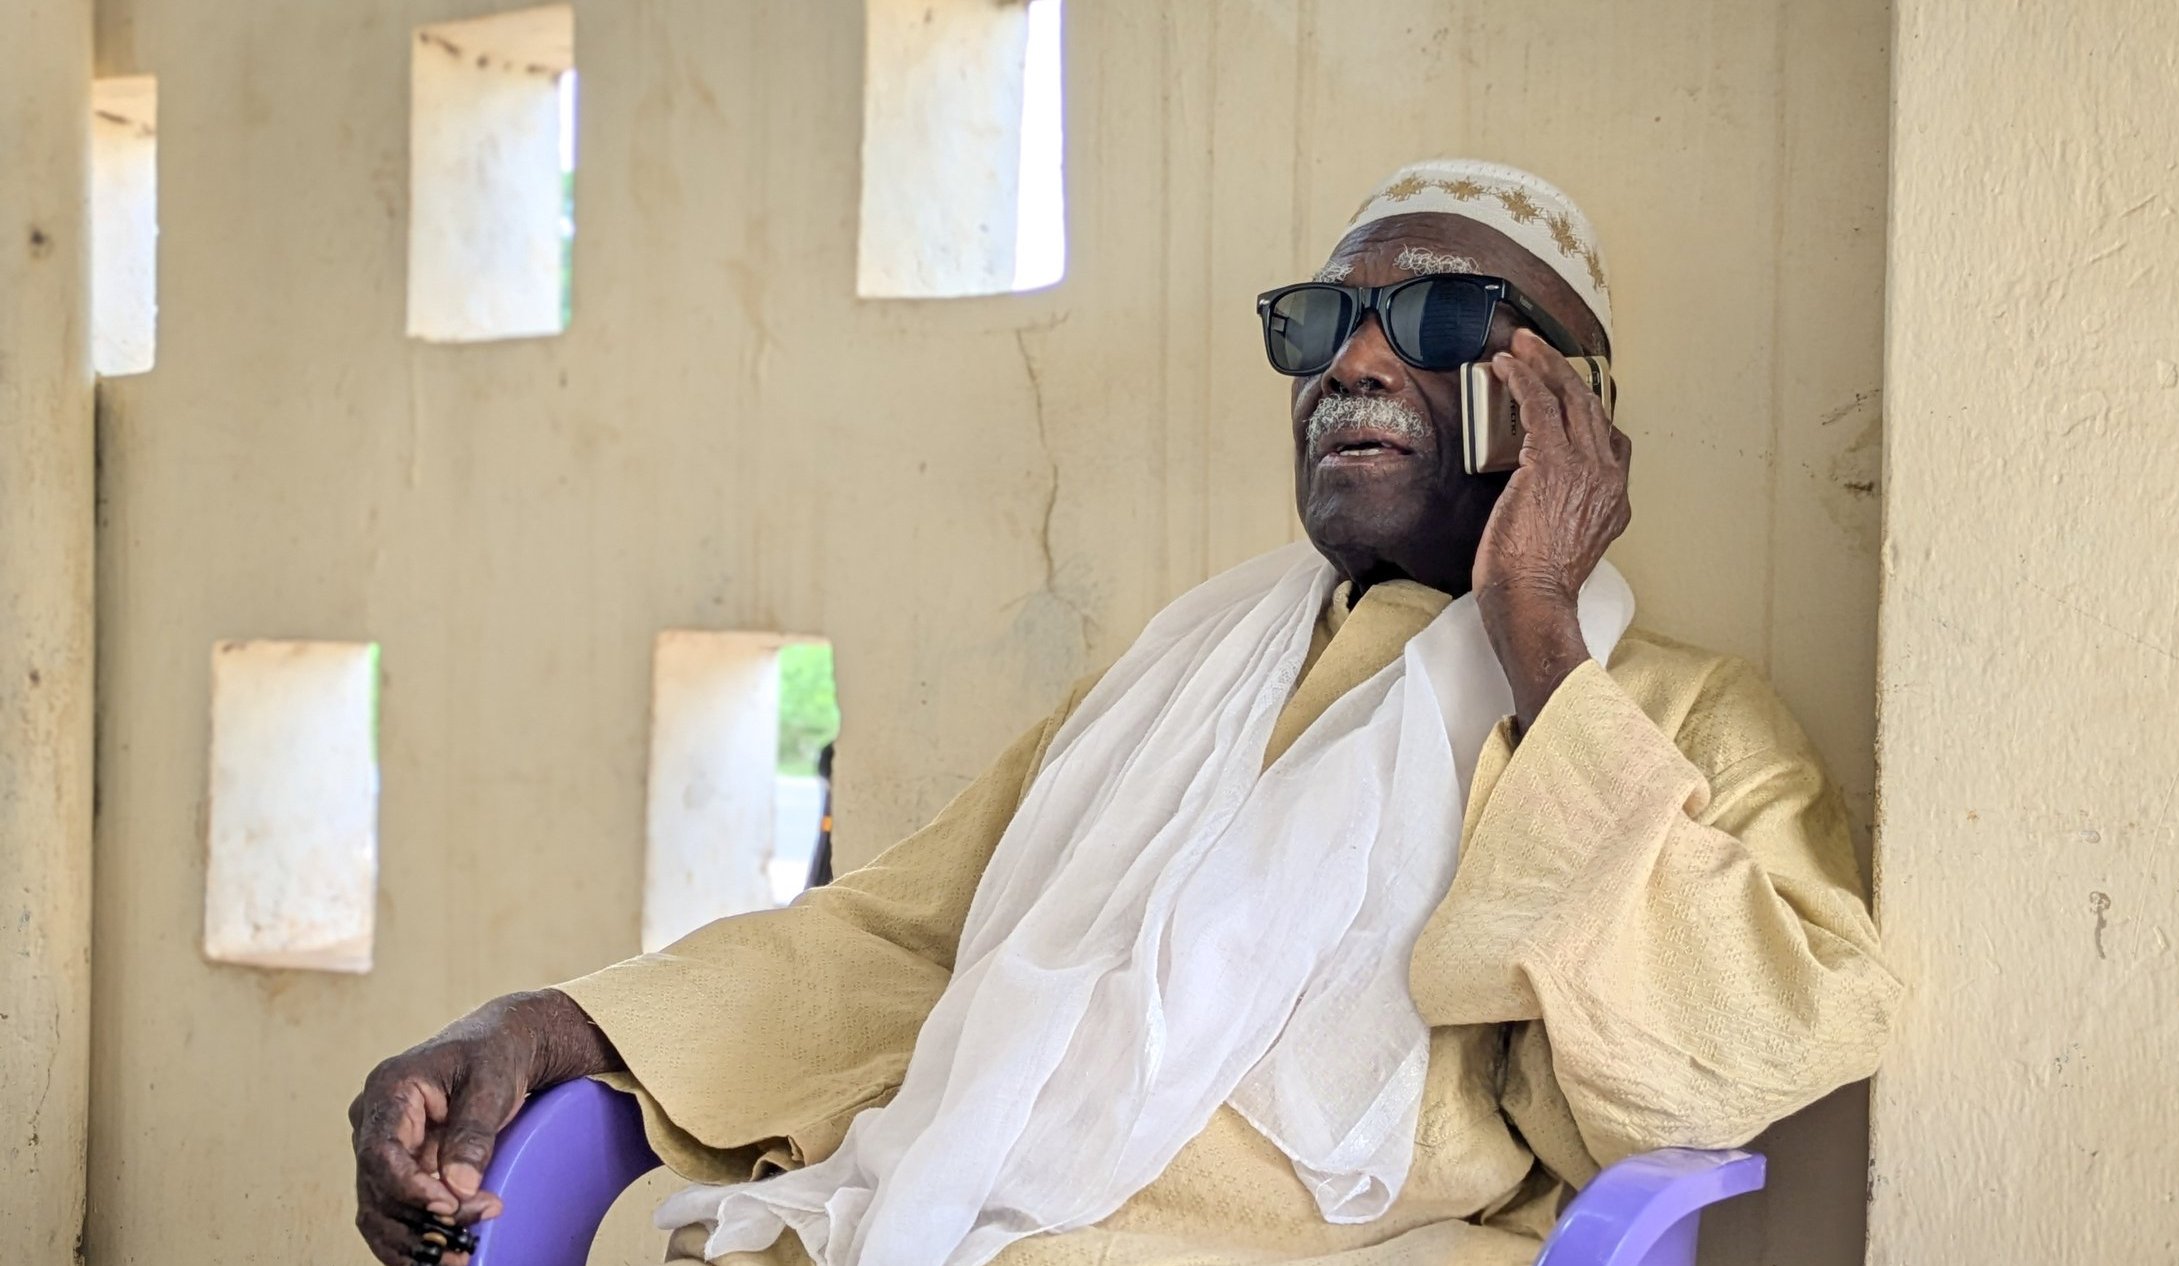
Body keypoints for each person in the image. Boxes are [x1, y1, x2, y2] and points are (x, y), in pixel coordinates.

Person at [350, 159, 1900, 1266]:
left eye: (1437, 321)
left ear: (1563, 405)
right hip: (950, 1217)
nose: (1353, 358)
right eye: (1316, 323)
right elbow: (900, 937)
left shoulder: (1666, 708)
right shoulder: (1183, 673)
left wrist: (1538, 633)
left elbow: (1718, 1059)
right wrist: (543, 1023)